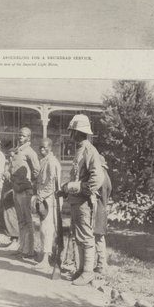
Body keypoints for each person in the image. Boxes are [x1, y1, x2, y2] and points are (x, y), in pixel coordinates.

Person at [62, 114, 104, 286]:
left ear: (78, 132)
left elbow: (97, 178)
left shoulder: (89, 151)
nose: (70, 134)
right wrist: (66, 188)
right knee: (78, 235)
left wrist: (78, 188)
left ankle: (88, 272)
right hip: (76, 201)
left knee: (86, 236)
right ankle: (81, 269)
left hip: (84, 202)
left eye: (72, 131)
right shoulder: (79, 149)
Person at [9, 127, 40, 259]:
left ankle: (29, 250)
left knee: (28, 221)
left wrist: (29, 184)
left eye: (22, 136)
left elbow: (37, 170)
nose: (20, 137)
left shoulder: (30, 152)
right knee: (21, 221)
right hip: (16, 189)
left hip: (25, 191)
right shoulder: (18, 150)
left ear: (28, 138)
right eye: (19, 135)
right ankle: (22, 247)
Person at [34, 138, 61, 271]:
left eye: (44, 147)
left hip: (50, 200)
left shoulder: (51, 162)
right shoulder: (43, 161)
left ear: (50, 148)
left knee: (47, 229)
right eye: (40, 147)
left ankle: (46, 259)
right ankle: (44, 256)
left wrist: (41, 196)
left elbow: (52, 183)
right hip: (43, 199)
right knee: (43, 229)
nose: (42, 150)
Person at [94, 154, 112, 275]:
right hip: (103, 208)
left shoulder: (100, 177)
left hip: (98, 209)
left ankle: (101, 265)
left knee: (98, 238)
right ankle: (101, 264)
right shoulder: (107, 176)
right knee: (99, 237)